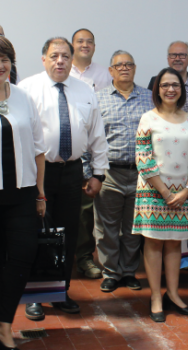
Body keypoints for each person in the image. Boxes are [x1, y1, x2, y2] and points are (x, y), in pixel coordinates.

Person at [19, 37, 109, 321]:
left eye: (65, 56)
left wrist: (98, 173)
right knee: (37, 234)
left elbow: (97, 135)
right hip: (36, 174)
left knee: (68, 234)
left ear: (72, 60)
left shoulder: (85, 91)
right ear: (43, 58)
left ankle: (60, 292)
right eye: (54, 55)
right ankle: (34, 297)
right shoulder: (27, 89)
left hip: (72, 173)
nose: (60, 61)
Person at [132, 67, 188, 322]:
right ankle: (155, 296)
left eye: (175, 84)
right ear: (157, 89)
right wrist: (164, 191)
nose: (170, 89)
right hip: (153, 192)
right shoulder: (147, 119)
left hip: (183, 194)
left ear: (182, 89)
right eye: (165, 85)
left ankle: (173, 294)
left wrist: (186, 190)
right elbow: (143, 158)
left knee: (176, 243)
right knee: (153, 243)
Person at [0, 37, 46, 350]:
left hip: (22, 194)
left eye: (4, 59)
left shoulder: (23, 97)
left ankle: (5, 326)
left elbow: (39, 150)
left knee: (20, 259)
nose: (0, 65)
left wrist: (41, 194)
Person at [95, 50, 153, 294]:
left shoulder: (150, 98)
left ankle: (128, 271)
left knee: (133, 227)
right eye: (119, 65)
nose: (124, 68)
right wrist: (91, 173)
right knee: (106, 227)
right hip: (110, 174)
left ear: (135, 68)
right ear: (111, 71)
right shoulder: (98, 99)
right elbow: (92, 138)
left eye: (129, 64)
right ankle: (110, 272)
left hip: (141, 174)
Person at [70, 28, 111, 280]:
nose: (85, 45)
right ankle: (75, 259)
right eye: (80, 41)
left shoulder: (105, 74)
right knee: (77, 212)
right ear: (72, 46)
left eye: (90, 42)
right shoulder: (63, 72)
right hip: (72, 150)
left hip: (99, 148)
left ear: (95, 47)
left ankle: (95, 259)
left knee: (97, 211)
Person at [147, 41, 188, 112]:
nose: (177, 59)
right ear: (168, 58)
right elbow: (150, 107)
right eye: (173, 55)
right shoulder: (155, 81)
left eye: (182, 55)